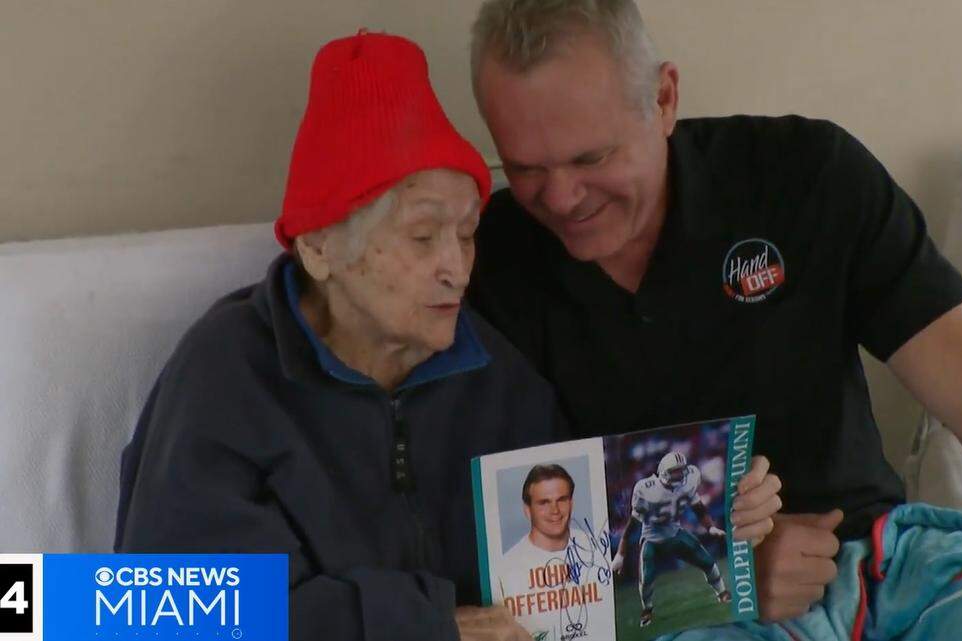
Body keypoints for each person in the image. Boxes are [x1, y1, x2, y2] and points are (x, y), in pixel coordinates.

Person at [465, 1, 962, 639]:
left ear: (665, 98)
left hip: (898, 566)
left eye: (592, 158)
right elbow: (518, 538)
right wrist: (725, 575)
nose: (560, 198)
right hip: (688, 612)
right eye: (524, 167)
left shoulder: (804, 176)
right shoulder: (482, 263)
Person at [115, 30, 556, 641]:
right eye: (424, 237)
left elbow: (567, 573)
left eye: (468, 232)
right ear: (318, 247)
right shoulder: (227, 377)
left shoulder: (499, 379)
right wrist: (425, 627)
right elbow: (173, 611)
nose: (457, 266)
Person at [612, 452, 730, 628]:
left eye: (681, 470)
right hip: (652, 539)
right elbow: (632, 525)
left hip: (675, 533)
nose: (679, 475)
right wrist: (620, 555)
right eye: (674, 471)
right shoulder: (646, 489)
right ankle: (647, 609)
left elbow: (698, 506)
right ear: (664, 472)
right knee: (646, 578)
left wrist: (710, 527)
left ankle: (722, 592)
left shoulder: (690, 479)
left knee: (707, 560)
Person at [498, 464, 593, 639]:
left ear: (571, 503)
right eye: (544, 503)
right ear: (527, 510)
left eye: (562, 499)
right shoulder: (506, 569)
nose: (555, 510)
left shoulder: (593, 547)